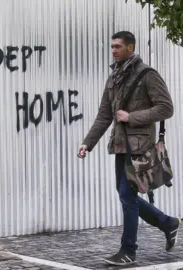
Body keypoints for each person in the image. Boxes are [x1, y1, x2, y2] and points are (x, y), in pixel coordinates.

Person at [77, 31, 181, 266]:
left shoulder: (147, 75)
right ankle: (167, 223)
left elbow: (166, 108)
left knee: (127, 196)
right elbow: (104, 116)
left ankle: (128, 251)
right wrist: (87, 143)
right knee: (127, 196)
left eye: (117, 46)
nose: (113, 50)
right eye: (111, 46)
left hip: (139, 147)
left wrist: (131, 116)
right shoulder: (114, 78)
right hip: (120, 145)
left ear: (130, 48)